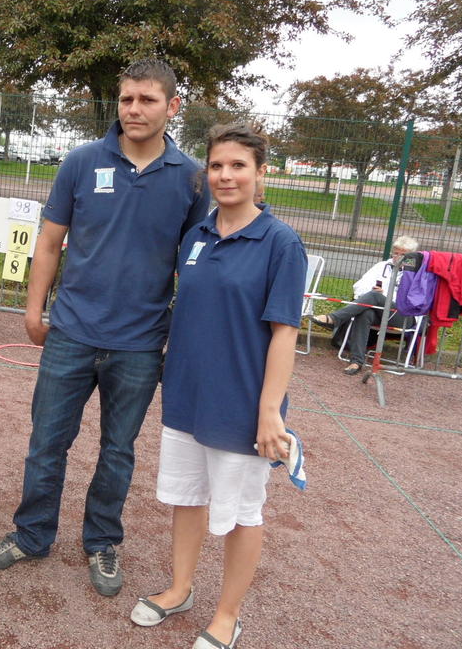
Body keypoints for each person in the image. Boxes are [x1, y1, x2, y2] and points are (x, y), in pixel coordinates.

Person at [0, 58, 210, 596]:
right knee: (46, 444)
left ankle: (102, 543)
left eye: (147, 100)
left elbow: (196, 264)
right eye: (127, 99)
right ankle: (31, 535)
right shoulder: (82, 162)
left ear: (172, 107)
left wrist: (183, 335)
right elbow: (50, 240)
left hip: (140, 344)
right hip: (71, 333)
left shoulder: (192, 178)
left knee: (117, 451)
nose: (134, 109)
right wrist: (33, 311)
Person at [129, 123, 306, 649]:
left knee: (240, 515)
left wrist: (269, 411)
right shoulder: (197, 236)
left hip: (242, 407)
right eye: (217, 165)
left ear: (260, 173)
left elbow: (284, 334)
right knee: (187, 499)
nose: (226, 175)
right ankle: (180, 588)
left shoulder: (280, 243)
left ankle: (227, 615)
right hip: (186, 398)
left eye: (238, 166)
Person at [311, 236, 419, 375]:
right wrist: (372, 292)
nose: (397, 257)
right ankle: (357, 361)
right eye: (396, 253)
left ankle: (334, 319)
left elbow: (410, 300)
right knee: (365, 313)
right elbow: (358, 286)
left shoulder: (416, 274)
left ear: (411, 257)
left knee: (376, 296)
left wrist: (382, 295)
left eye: (403, 254)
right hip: (379, 312)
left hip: (403, 317)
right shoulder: (382, 266)